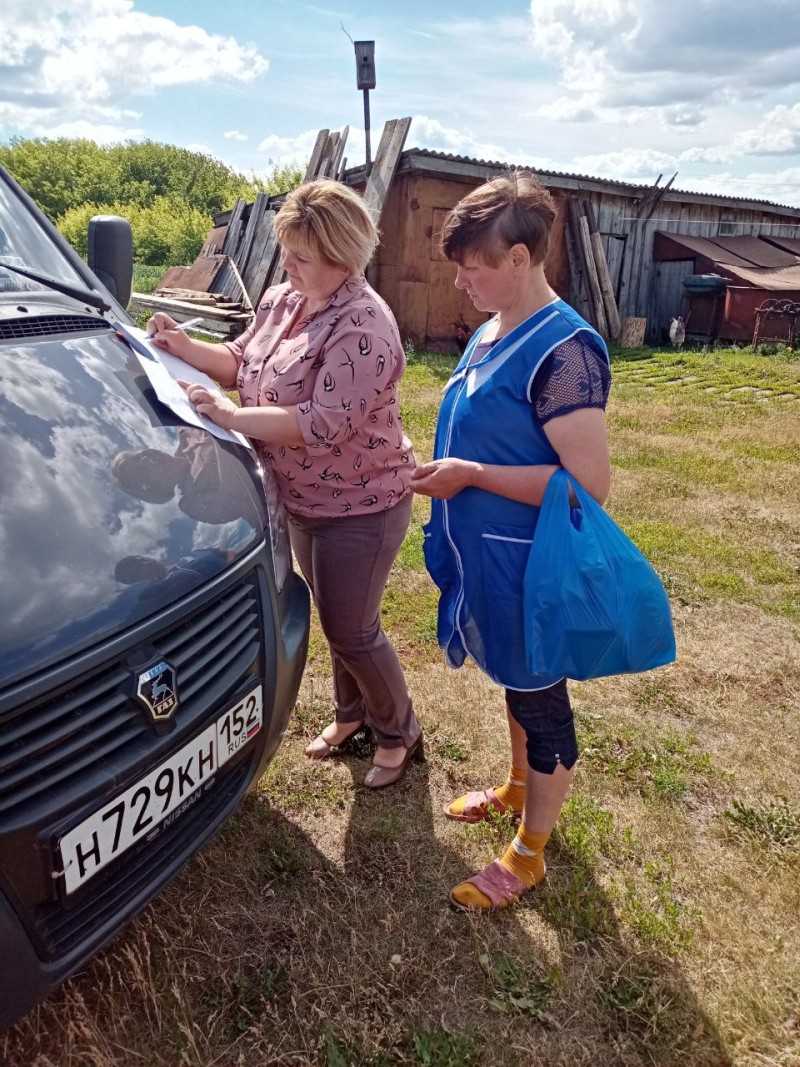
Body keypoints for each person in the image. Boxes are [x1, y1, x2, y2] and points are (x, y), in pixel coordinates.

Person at [147, 179, 422, 788]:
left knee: (353, 626)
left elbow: (319, 425)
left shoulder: (364, 327)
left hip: (362, 504)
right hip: (302, 499)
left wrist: (230, 417)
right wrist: (184, 347)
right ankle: (352, 715)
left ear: (341, 255)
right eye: (286, 252)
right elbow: (241, 358)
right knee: (333, 616)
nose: (287, 265)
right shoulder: (282, 299)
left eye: (301, 256)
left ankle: (400, 731)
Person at [412, 172, 612, 909]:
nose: (461, 280)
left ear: (522, 258)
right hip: (486, 556)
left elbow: (588, 483)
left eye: (475, 265)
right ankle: (519, 783)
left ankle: (530, 851)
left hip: (529, 563)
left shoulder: (566, 353)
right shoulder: (496, 329)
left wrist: (472, 473)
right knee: (513, 678)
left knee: (540, 698)